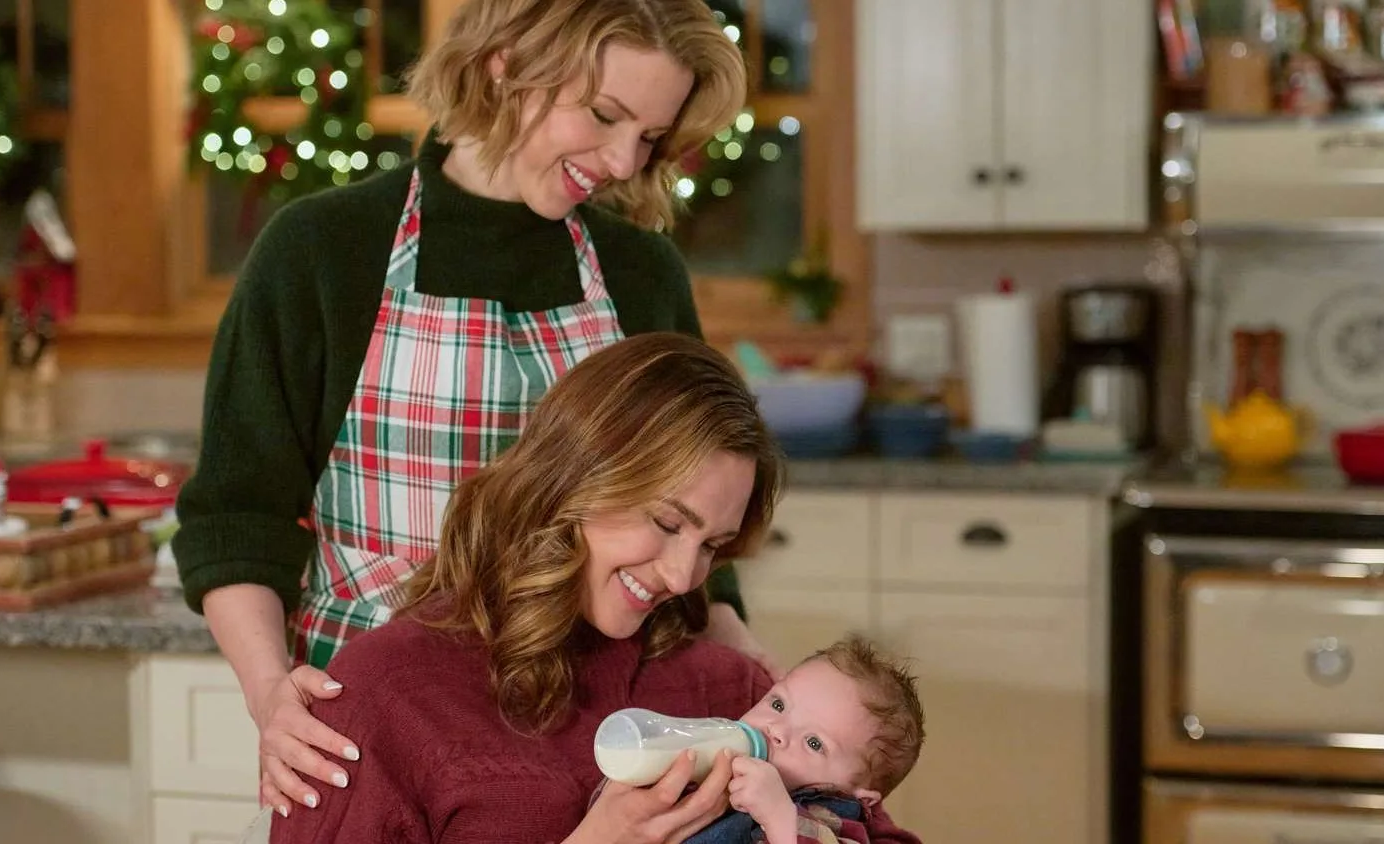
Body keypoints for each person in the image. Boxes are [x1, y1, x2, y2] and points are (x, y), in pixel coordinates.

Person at [170, 0, 773, 817]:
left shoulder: (640, 273)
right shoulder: (324, 250)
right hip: (377, 746)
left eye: (651, 137)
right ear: (504, 64)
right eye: (604, 115)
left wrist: (753, 678)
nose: (625, 160)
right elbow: (237, 517)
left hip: (597, 746)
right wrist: (271, 693)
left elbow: (696, 516)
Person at [267, 333, 921, 844]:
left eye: (712, 547)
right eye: (667, 523)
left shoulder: (737, 699)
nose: (681, 575)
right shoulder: (386, 697)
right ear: (573, 479)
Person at [677, 634, 926, 844]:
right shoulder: (712, 767)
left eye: (813, 743)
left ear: (859, 798)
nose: (776, 730)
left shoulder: (832, 818)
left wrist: (780, 817)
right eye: (777, 704)